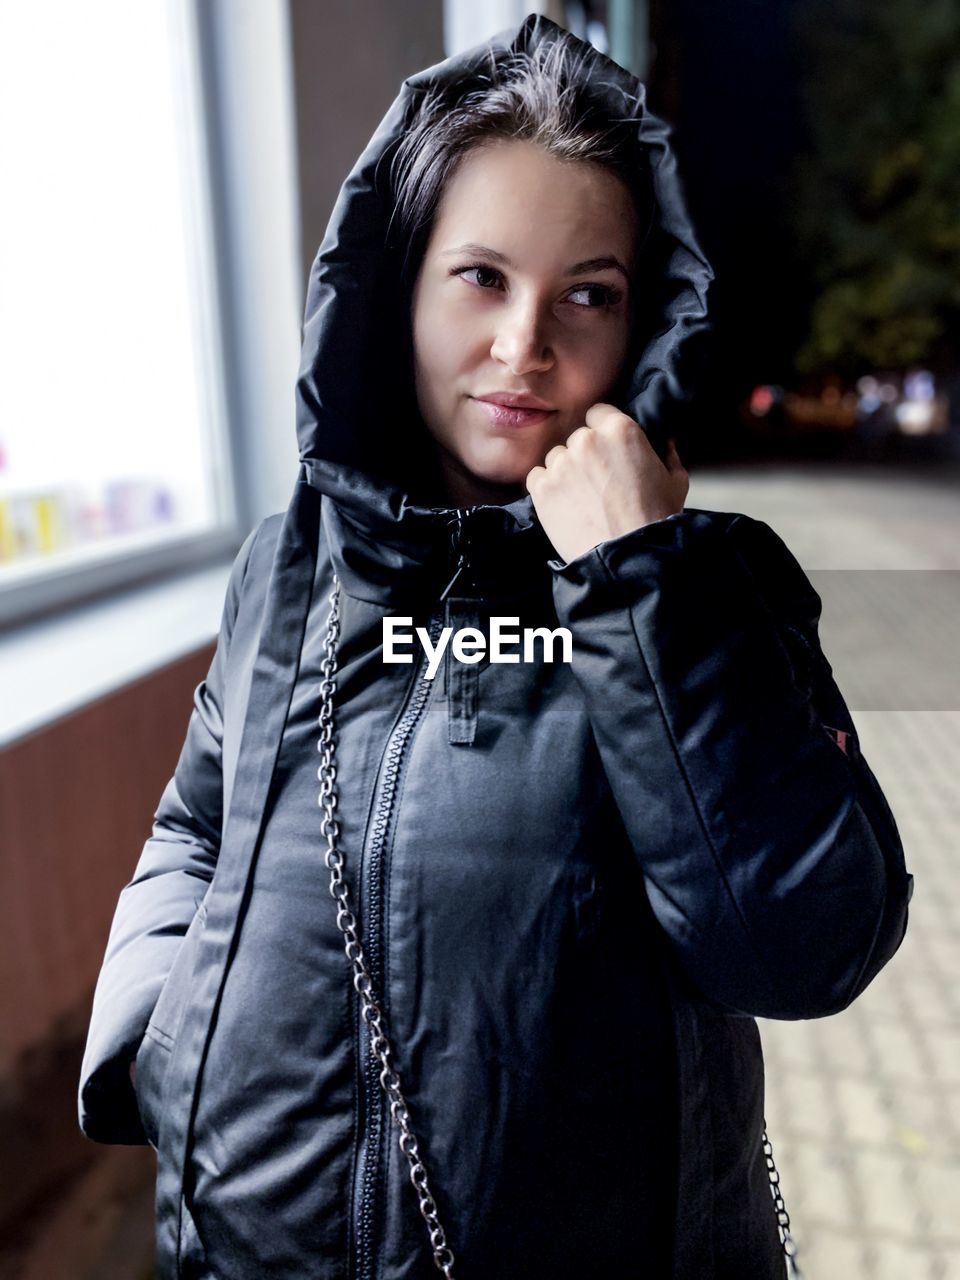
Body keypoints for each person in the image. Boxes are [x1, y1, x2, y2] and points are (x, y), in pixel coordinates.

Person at [78, 15, 914, 1280]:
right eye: (481, 276)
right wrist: (159, 1037)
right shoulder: (288, 564)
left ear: (641, 327)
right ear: (396, 285)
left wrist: (639, 583)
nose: (527, 344)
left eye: (588, 293)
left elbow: (805, 945)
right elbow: (196, 823)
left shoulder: (712, 583)